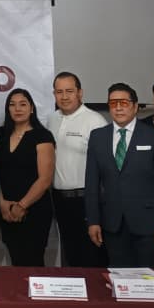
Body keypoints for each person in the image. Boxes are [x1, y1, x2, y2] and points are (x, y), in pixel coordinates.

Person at [84, 83, 154, 269]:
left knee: (149, 278)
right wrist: (93, 221)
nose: (118, 108)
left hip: (149, 224)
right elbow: (92, 183)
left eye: (124, 103)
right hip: (112, 224)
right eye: (113, 103)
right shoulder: (98, 137)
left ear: (135, 106)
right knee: (119, 278)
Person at [46, 72, 107, 267]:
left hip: (87, 200)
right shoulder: (51, 119)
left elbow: (105, 167)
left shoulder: (95, 121)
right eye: (59, 92)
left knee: (90, 256)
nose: (64, 97)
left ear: (80, 93)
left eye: (69, 91)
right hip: (59, 200)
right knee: (70, 255)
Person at [0, 88, 55, 267]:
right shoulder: (0, 134)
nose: (17, 109)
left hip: (35, 210)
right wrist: (2, 203)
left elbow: (45, 179)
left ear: (32, 108)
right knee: (16, 262)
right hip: (6, 210)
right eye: (12, 105)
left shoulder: (42, 135)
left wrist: (21, 206)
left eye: (23, 104)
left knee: (33, 262)